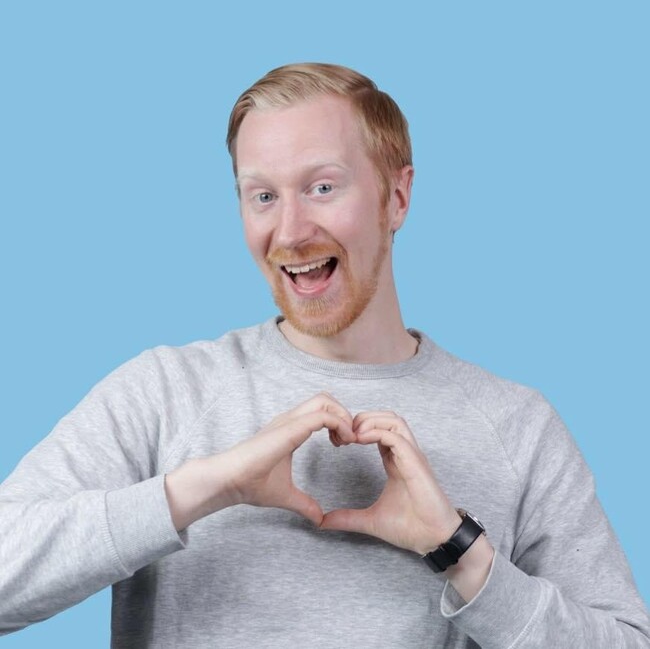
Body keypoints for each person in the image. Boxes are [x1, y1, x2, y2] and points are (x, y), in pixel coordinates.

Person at [0, 63, 648, 648]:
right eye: (262, 196)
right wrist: (204, 487)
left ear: (397, 197)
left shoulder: (516, 426)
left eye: (322, 187)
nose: (289, 231)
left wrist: (459, 550)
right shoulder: (165, 391)